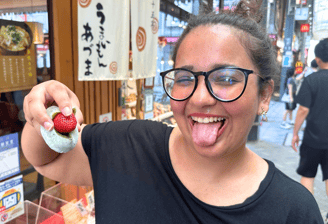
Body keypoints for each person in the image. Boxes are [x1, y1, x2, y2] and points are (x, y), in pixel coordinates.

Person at [21, 0, 323, 223]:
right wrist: (43, 110)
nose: (201, 98)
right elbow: (48, 158)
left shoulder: (293, 210)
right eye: (184, 78)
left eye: (227, 78)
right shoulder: (128, 145)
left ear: (265, 95)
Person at [292, 38, 328, 205]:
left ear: (318, 59)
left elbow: (303, 110)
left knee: (307, 176)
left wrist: (295, 134)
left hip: (312, 139)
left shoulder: (311, 80)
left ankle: (308, 216)